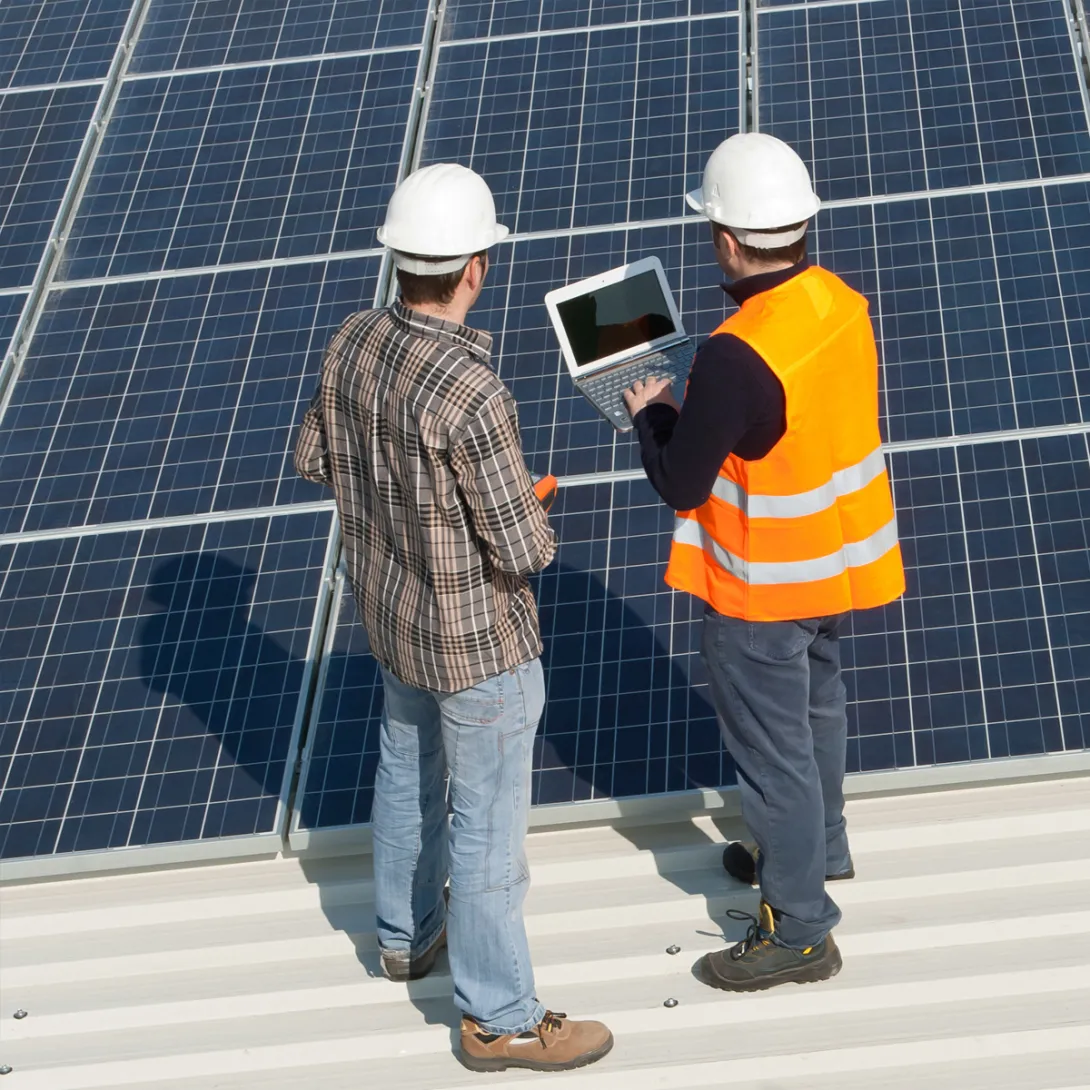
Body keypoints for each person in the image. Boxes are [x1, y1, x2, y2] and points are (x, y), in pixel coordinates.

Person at [294, 163, 613, 1072]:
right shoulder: (475, 396)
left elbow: (316, 458)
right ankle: (500, 1017)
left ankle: (404, 937)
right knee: (487, 828)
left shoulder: (351, 340)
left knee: (404, 768)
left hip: (392, 619)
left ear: (398, 261)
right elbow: (523, 551)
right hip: (480, 648)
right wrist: (533, 505)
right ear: (476, 267)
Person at [624, 133, 905, 992]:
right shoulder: (839, 304)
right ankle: (819, 851)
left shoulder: (734, 354)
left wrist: (652, 409)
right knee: (818, 717)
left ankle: (800, 929)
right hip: (831, 569)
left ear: (728, 240)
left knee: (774, 756)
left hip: (758, 592)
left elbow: (680, 482)